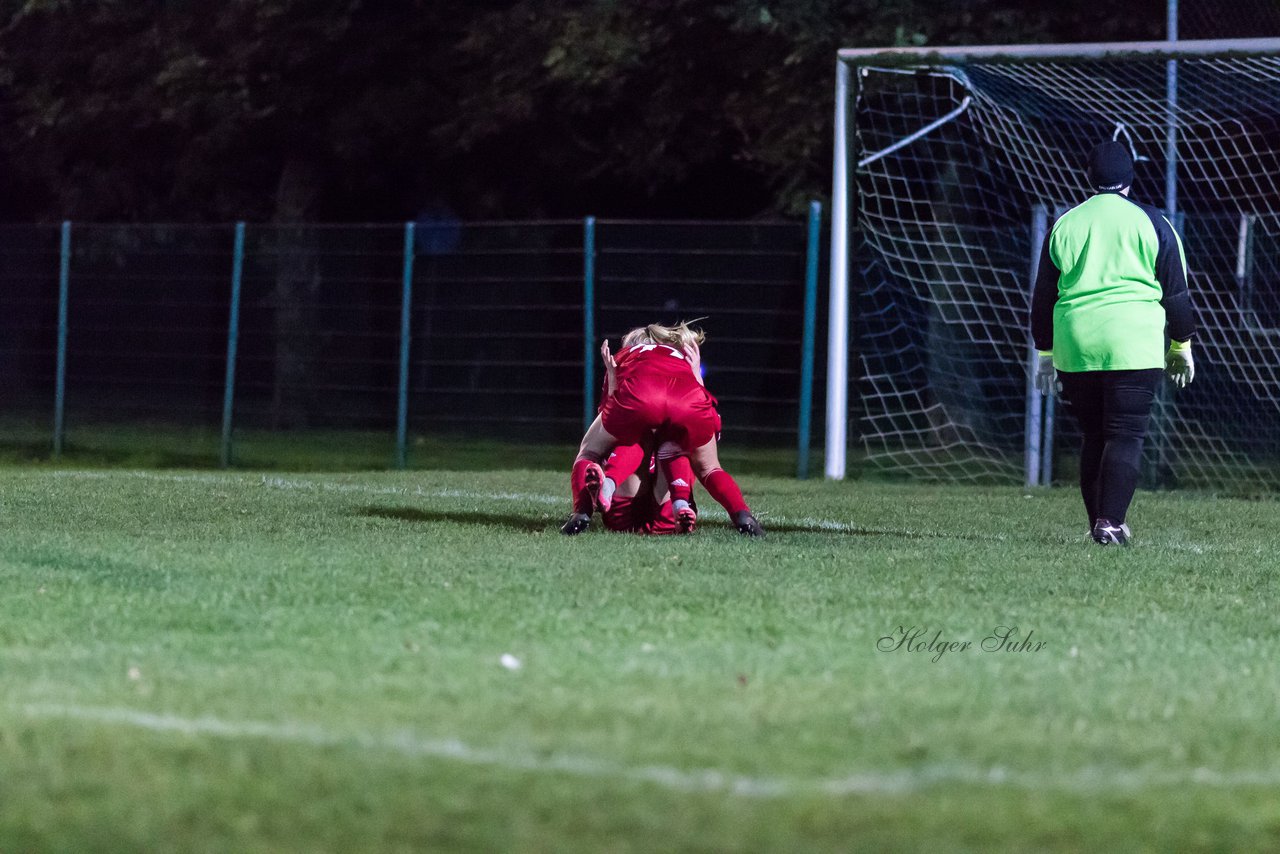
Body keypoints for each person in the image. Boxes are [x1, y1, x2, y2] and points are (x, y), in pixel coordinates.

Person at [1031, 140, 1197, 546]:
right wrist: (1181, 345)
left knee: (1094, 436)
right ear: (1130, 177)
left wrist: (1044, 354)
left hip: (1078, 345)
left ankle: (1099, 526)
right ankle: (1111, 522)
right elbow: (1176, 292)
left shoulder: (1065, 223)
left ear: (1089, 177)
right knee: (1124, 435)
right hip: (1132, 343)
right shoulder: (1153, 221)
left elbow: (1043, 298)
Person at [561, 321, 764, 537]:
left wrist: (613, 381)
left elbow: (609, 419)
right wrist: (697, 378)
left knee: (611, 445)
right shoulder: (681, 366)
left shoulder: (627, 360)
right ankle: (738, 515)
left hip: (621, 514)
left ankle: (587, 506)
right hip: (668, 516)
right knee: (693, 457)